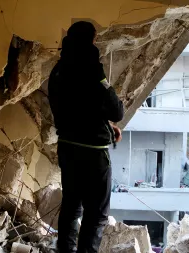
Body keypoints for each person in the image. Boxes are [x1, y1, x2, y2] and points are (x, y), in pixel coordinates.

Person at [48, 21, 124, 253]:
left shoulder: (58, 71)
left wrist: (106, 126)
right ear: (90, 40)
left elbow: (76, 108)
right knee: (96, 215)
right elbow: (116, 111)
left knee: (71, 208)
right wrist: (109, 123)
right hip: (93, 155)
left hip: (68, 149)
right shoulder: (92, 69)